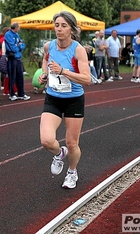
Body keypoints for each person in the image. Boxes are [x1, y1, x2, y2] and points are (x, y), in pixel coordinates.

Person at [38, 11, 90, 189]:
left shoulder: (78, 50)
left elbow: (87, 79)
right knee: (46, 140)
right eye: (57, 25)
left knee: (72, 142)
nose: (59, 29)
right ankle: (60, 153)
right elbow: (45, 61)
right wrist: (45, 74)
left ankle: (72, 172)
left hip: (73, 99)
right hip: (53, 97)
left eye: (64, 26)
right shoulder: (49, 46)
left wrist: (63, 71)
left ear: (72, 29)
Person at [4, 22, 30, 101]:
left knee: (20, 76)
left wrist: (18, 46)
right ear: (15, 27)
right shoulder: (8, 35)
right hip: (12, 58)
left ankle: (21, 94)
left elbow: (22, 44)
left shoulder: (17, 35)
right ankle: (12, 94)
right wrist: (18, 46)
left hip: (18, 58)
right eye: (18, 27)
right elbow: (12, 47)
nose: (19, 28)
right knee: (12, 76)